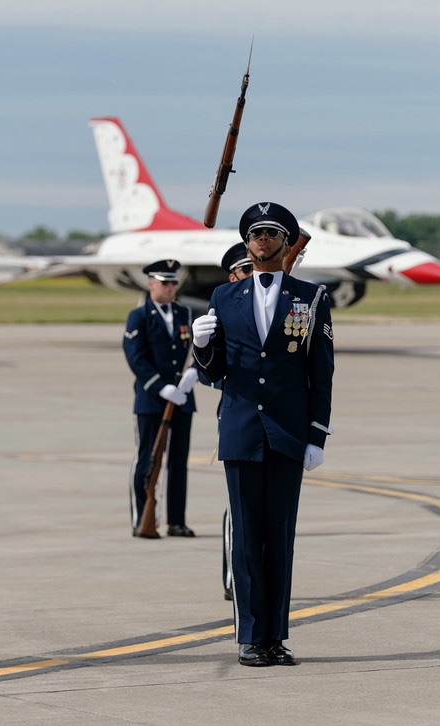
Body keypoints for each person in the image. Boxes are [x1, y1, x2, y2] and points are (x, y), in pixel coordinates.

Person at [192, 202, 334, 667]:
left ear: (286, 243)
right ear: (247, 244)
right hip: (240, 430)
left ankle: (275, 636)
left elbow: (321, 371)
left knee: (280, 536)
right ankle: (250, 638)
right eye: (256, 234)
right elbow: (217, 373)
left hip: (289, 432)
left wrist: (316, 434)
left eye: (273, 234)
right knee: (247, 539)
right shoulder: (222, 298)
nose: (263, 241)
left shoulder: (310, 297)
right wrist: (200, 347)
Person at [123, 260, 199, 538]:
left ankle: (176, 521)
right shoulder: (139, 316)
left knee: (178, 463)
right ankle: (143, 518)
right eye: (164, 283)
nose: (170, 288)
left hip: (181, 400)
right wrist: (161, 387)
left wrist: (192, 375)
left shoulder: (185, 313)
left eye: (173, 283)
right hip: (152, 400)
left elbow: (200, 349)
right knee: (147, 459)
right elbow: (136, 357)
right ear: (151, 284)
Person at [215, 242, 254, 601]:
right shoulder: (225, 307)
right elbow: (212, 367)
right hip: (238, 414)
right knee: (237, 504)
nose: (251, 275)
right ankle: (232, 575)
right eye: (244, 270)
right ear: (232, 277)